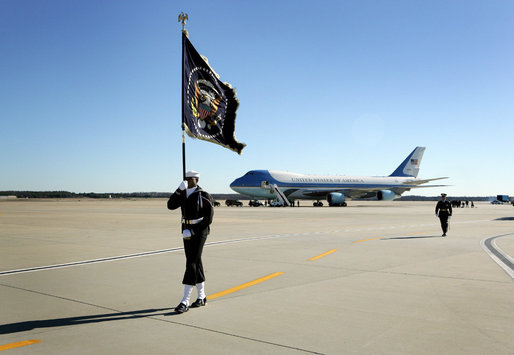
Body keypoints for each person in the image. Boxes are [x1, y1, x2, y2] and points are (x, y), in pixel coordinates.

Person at [167, 170, 214, 313]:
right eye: (185, 178)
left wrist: (194, 230)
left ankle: (185, 301)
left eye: (189, 178)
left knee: (191, 262)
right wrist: (178, 190)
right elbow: (170, 205)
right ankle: (202, 297)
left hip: (200, 232)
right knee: (195, 261)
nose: (186, 180)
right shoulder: (183, 193)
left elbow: (209, 218)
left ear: (196, 180)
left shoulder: (203, 195)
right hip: (186, 230)